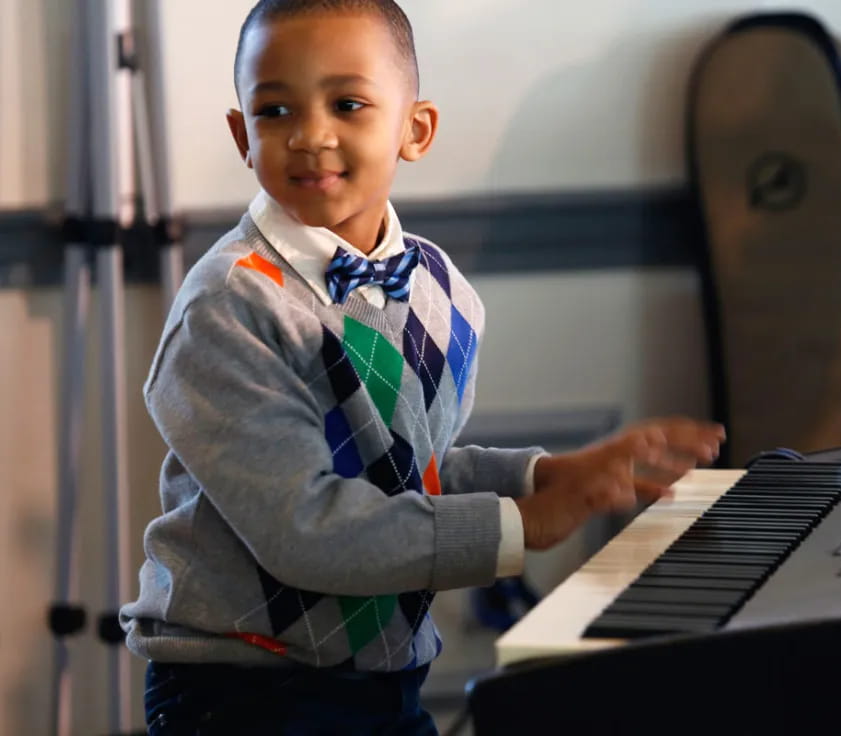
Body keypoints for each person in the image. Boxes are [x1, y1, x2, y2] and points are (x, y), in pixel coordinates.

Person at [120, 1, 726, 733]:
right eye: (275, 111)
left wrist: (543, 477)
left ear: (417, 129)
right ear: (243, 136)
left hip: (384, 678)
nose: (311, 135)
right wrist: (522, 525)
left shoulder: (443, 294)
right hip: (243, 690)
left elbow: (407, 477)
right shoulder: (228, 304)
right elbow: (306, 530)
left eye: (347, 104)